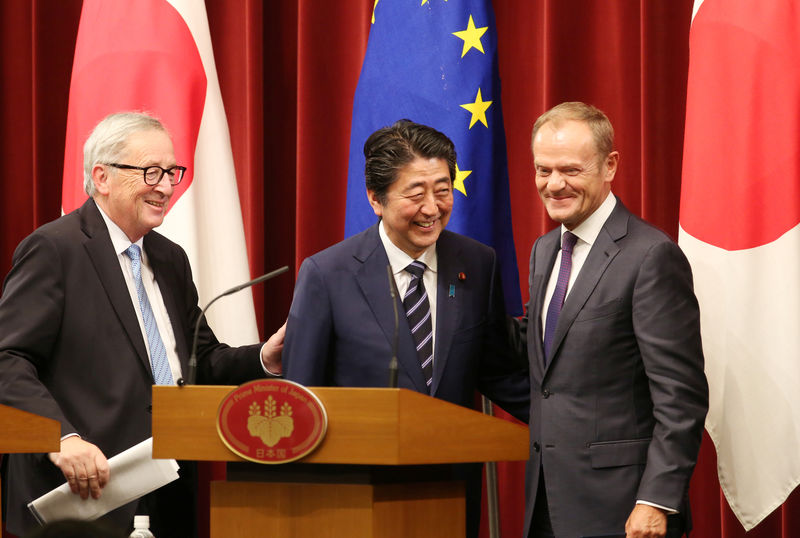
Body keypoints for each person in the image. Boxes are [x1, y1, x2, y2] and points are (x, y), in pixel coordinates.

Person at [0, 111, 283, 537]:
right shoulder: (55, 250)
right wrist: (61, 439)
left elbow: (200, 360)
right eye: (152, 172)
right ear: (102, 177)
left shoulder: (170, 258)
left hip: (167, 486)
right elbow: (8, 358)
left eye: (172, 172)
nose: (167, 187)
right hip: (82, 494)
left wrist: (264, 358)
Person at [282, 119, 529, 538]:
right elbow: (302, 397)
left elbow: (498, 368)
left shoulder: (477, 263)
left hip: (451, 494)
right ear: (376, 199)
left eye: (442, 190)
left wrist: (570, 420)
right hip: (355, 499)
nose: (432, 208)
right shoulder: (327, 273)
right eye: (416, 194)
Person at [514, 101, 708, 538]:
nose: (554, 184)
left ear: (609, 166)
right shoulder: (544, 251)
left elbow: (681, 396)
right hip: (547, 503)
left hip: (624, 511)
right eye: (543, 170)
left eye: (570, 170)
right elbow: (545, 363)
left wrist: (656, 499)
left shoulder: (650, 256)